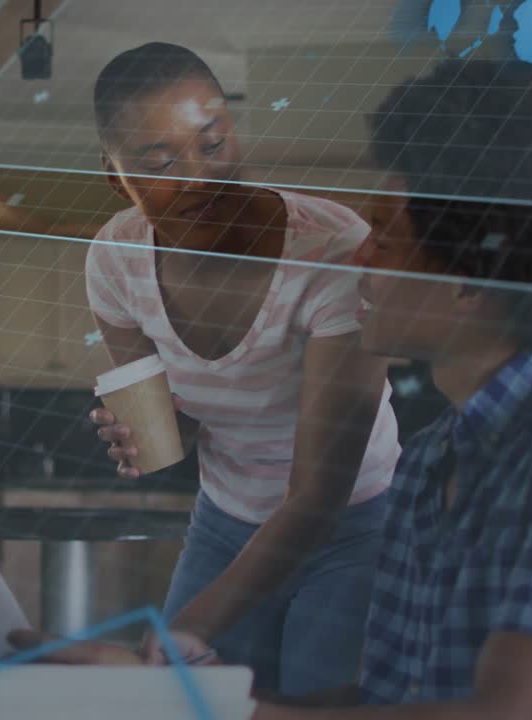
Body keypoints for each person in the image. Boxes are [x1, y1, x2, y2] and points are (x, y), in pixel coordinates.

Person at [16, 59, 532, 720]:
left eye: (384, 234)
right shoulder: (432, 463)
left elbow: (516, 715)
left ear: (471, 276)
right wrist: (188, 696)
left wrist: (218, 708)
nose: (354, 252)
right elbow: (392, 700)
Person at [83, 42, 401, 695]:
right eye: (160, 163)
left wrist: (190, 626)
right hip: (225, 521)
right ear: (116, 178)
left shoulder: (331, 252)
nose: (199, 178)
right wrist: (146, 437)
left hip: (353, 527)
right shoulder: (115, 260)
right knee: (186, 703)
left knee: (316, 704)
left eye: (212, 143)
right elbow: (175, 434)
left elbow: (318, 496)